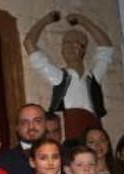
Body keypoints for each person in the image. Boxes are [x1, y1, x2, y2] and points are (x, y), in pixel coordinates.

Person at [24, 11, 113, 139]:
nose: (69, 47)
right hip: (72, 130)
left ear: (83, 49)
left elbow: (106, 47)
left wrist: (83, 21)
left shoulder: (93, 78)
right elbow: (29, 43)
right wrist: (45, 20)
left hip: (93, 132)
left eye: (75, 43)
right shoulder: (59, 76)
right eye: (66, 43)